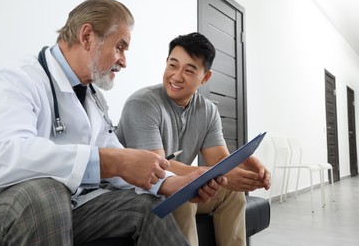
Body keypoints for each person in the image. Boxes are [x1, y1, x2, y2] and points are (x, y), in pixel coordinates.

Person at [0, 0, 223, 245]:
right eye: (120, 47)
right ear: (87, 37)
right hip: (6, 208)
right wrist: (113, 161)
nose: (124, 60)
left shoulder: (93, 97)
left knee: (146, 207)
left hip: (70, 207)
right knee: (46, 193)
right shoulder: (18, 78)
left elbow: (113, 150)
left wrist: (169, 183)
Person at [116, 32, 271, 246]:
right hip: (140, 190)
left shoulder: (207, 110)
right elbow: (156, 168)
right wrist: (211, 176)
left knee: (232, 194)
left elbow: (218, 158)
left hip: (175, 184)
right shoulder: (142, 103)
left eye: (189, 70)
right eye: (173, 65)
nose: (177, 76)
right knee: (181, 195)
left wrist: (244, 163)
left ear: (205, 77)